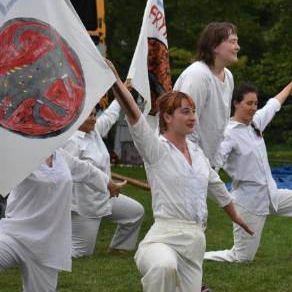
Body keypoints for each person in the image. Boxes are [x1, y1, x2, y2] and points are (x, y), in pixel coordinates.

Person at [107, 60, 253, 292]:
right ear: (166, 117)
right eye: (185, 112)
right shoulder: (156, 149)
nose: (193, 117)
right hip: (163, 237)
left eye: (194, 111)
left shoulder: (198, 155)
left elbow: (216, 188)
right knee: (163, 267)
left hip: (196, 241)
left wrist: (237, 217)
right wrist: (114, 79)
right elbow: (134, 115)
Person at [204, 73, 292, 263]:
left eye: (255, 103)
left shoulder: (255, 122)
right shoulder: (227, 134)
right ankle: (198, 255)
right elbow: (212, 167)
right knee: (242, 257)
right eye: (249, 103)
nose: (253, 107)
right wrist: (216, 193)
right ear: (236, 103)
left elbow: (273, 104)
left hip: (271, 194)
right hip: (248, 202)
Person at [0, 148, 120, 292]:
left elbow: (85, 170)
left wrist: (109, 183)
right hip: (15, 235)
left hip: (47, 245)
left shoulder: (61, 156)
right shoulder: (18, 156)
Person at [63, 100, 144, 257]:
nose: (93, 118)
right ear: (76, 117)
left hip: (106, 197)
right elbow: (69, 173)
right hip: (85, 206)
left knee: (135, 213)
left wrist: (122, 92)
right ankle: (40, 253)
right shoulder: (71, 141)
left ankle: (119, 248)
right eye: (89, 115)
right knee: (81, 252)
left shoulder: (94, 132)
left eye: (94, 114)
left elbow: (110, 115)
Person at [174, 22, 239, 164]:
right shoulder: (197, 75)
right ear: (214, 46)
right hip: (185, 161)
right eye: (232, 42)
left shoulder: (228, 76)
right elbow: (185, 124)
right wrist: (193, 164)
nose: (237, 47)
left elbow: (221, 124)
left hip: (206, 163)